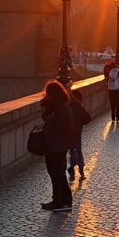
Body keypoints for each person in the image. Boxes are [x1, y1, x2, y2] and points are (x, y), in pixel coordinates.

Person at [39, 80, 75, 211]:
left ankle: (64, 201)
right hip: (54, 145)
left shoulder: (62, 108)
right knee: (55, 172)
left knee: (57, 173)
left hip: (57, 146)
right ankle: (57, 199)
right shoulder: (57, 107)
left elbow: (65, 126)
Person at [67, 88, 91, 180]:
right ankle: (81, 166)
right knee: (78, 149)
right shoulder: (79, 106)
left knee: (71, 149)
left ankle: (72, 167)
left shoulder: (68, 106)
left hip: (70, 131)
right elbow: (88, 118)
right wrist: (81, 123)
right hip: (78, 130)